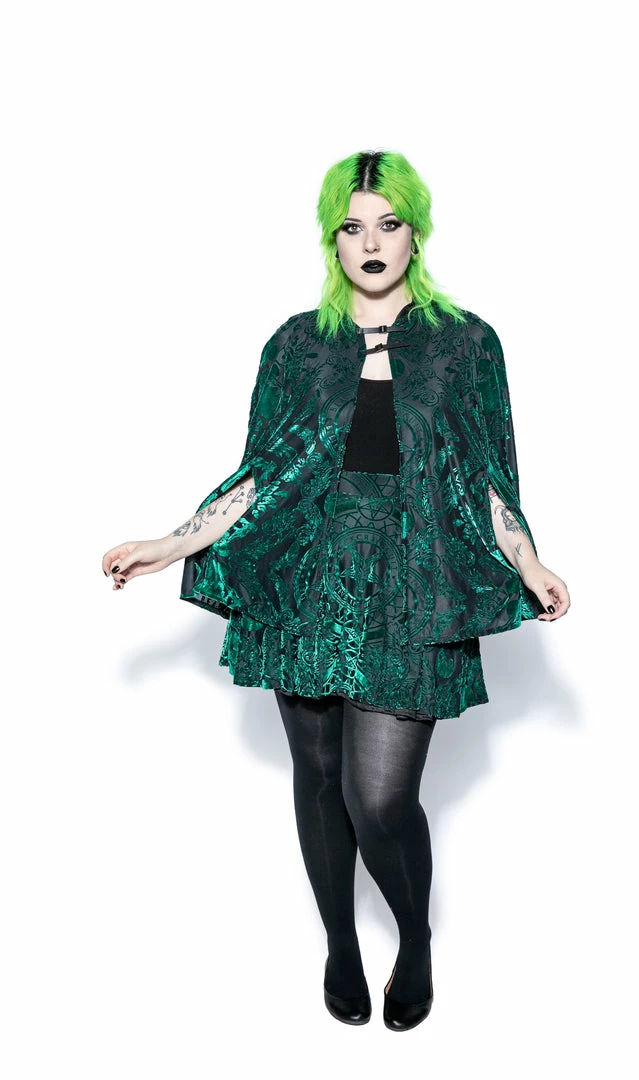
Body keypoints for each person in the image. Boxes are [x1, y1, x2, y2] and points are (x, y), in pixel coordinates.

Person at [102, 149, 570, 1032]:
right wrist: (172, 542)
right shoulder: (296, 344)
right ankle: (340, 947)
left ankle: (415, 941)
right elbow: (265, 473)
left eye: (389, 224)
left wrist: (529, 561)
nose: (372, 243)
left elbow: (483, 479)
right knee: (319, 781)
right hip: (306, 587)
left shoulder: (467, 343)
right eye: (353, 227)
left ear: (416, 233)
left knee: (380, 799)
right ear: (332, 238)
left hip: (413, 589)